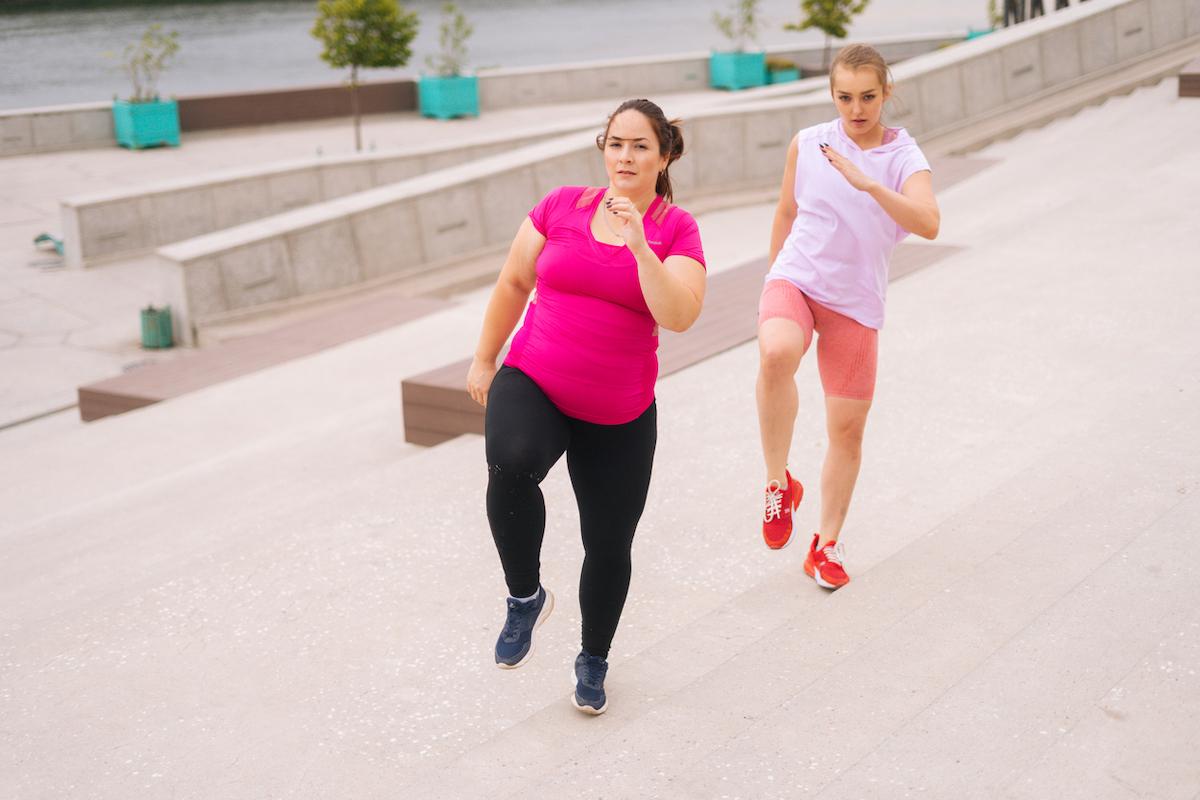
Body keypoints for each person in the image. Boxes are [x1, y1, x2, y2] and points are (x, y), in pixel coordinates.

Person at [467, 98, 706, 715]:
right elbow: (515, 281)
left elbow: (678, 315)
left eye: (640, 146)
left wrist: (640, 247)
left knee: (608, 543)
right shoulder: (560, 206)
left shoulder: (676, 229)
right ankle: (525, 597)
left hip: (620, 411)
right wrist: (484, 357)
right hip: (536, 377)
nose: (624, 157)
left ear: (665, 154)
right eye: (615, 143)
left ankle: (593, 659)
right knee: (510, 462)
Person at [756, 44, 940, 589]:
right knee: (776, 351)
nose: (855, 109)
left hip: (856, 302)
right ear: (831, 93)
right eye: (843, 97)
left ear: (886, 92)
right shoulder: (809, 142)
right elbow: (787, 210)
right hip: (797, 279)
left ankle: (825, 544)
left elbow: (929, 222)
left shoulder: (905, 157)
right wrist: (773, 276)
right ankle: (776, 484)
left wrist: (870, 183)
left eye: (866, 96)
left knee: (847, 431)